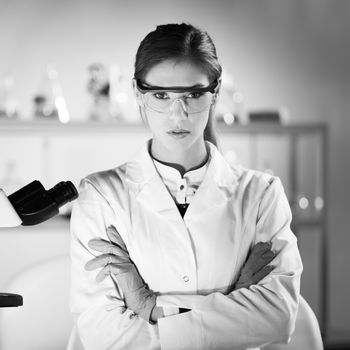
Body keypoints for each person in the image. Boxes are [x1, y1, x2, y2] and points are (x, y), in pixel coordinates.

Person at [70, 23, 303, 350]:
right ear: (139, 94)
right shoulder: (100, 195)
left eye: (193, 94)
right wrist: (232, 300)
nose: (177, 113)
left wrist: (149, 306)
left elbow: (278, 318)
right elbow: (104, 335)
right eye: (161, 95)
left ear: (215, 93)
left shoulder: (262, 193)